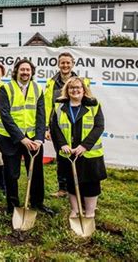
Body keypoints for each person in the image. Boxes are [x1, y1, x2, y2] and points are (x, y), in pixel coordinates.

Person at [0, 59, 54, 216]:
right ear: (16, 71)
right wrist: (22, 138)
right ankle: (12, 206)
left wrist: (39, 139)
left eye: (28, 70)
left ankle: (37, 203)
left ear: (32, 72)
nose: (25, 73)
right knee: (11, 173)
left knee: (36, 172)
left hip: (34, 139)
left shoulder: (37, 88)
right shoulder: (6, 88)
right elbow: (5, 116)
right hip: (10, 138)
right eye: (22, 69)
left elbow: (41, 115)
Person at [50, 77, 106, 219]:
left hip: (89, 153)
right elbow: (55, 127)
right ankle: (75, 210)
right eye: (71, 88)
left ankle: (90, 212)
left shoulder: (93, 104)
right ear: (67, 91)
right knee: (71, 182)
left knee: (91, 183)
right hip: (68, 152)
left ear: (83, 90)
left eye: (78, 87)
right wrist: (62, 144)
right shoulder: (59, 106)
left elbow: (99, 126)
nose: (75, 90)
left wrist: (84, 146)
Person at [45, 52, 91, 198]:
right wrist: (47, 127)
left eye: (67, 62)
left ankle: (79, 189)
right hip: (58, 125)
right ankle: (63, 188)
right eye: (62, 63)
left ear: (73, 64)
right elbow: (47, 105)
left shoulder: (82, 82)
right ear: (58, 64)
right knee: (61, 158)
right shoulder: (51, 82)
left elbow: (88, 103)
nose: (65, 65)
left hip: (77, 124)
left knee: (79, 158)